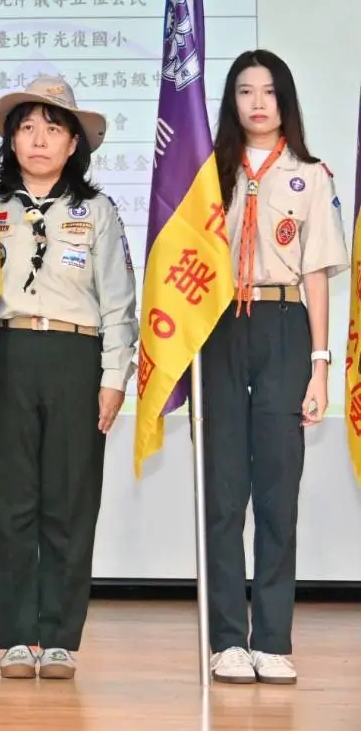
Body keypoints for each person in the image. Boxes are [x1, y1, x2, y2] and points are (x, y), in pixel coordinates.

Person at [0, 77, 138, 680]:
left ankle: (60, 636)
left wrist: (114, 375)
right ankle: (18, 635)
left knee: (70, 500)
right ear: (11, 140)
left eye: (52, 128)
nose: (38, 139)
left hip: (76, 358)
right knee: (10, 499)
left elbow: (119, 301)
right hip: (7, 355)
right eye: (27, 127)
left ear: (75, 143)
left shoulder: (97, 211)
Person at [203, 50, 348, 687]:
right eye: (244, 91)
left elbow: (316, 275)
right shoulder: (207, 175)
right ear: (231, 102)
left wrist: (320, 367)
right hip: (220, 328)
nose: (257, 103)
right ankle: (228, 640)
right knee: (225, 491)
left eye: (269, 91)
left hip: (286, 326)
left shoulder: (310, 176)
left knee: (278, 493)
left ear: (286, 101)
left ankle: (274, 640)